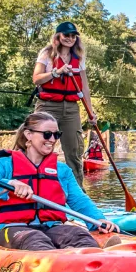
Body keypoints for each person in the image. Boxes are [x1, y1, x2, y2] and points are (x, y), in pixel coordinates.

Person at [0, 111, 118, 250]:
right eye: (47, 134)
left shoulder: (62, 170)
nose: (52, 139)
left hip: (51, 226)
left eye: (56, 135)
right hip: (10, 228)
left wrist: (98, 220)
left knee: (80, 237)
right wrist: (7, 185)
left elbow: (79, 201)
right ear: (28, 134)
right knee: (34, 240)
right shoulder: (4, 165)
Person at [32, 21, 95, 185]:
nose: (70, 38)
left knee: (74, 152)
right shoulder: (47, 54)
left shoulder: (79, 58)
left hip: (71, 109)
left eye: (73, 36)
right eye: (66, 35)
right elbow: (36, 78)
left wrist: (90, 112)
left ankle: (77, 195)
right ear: (58, 36)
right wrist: (55, 72)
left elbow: (85, 88)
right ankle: (35, 187)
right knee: (40, 147)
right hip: (47, 106)